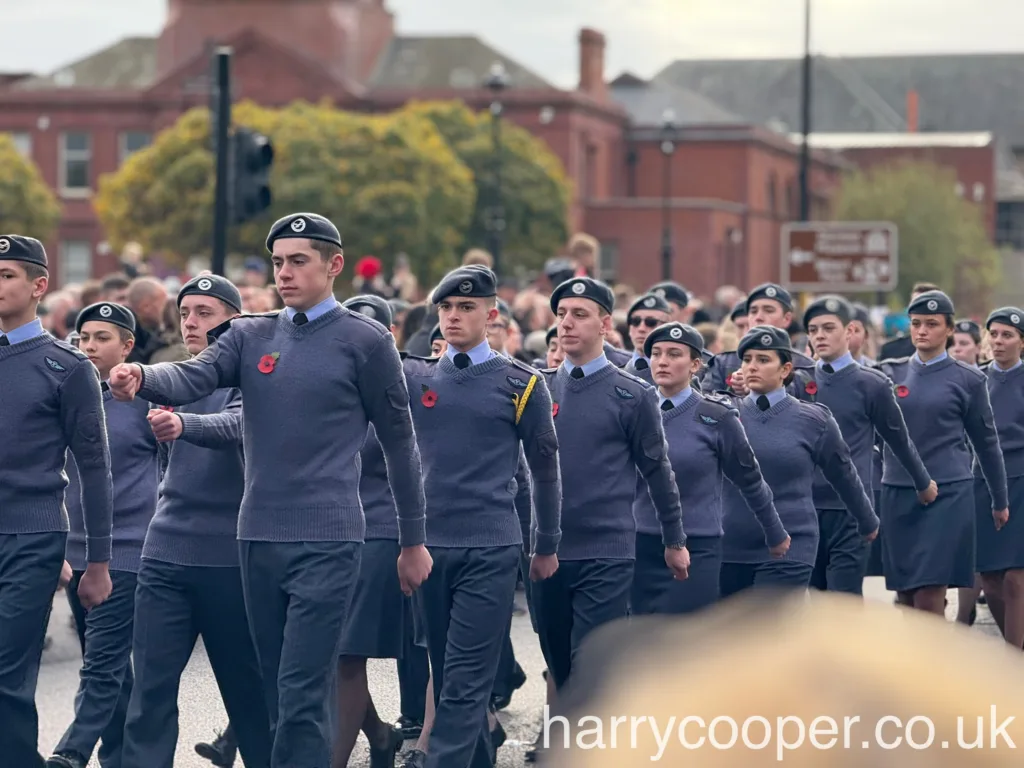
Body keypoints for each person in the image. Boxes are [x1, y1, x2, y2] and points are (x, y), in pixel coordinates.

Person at [108, 212, 432, 768]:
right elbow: (194, 375)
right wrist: (142, 377)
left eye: (298, 261)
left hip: (329, 540)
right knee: (275, 692)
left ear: (334, 266)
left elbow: (401, 444)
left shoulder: (366, 339)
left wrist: (412, 541)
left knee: (304, 693)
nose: (284, 272)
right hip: (256, 538)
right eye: (279, 261)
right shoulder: (249, 333)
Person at [402, 265, 562, 768]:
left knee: (468, 681)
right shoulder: (416, 376)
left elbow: (545, 469)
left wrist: (546, 544)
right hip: (429, 545)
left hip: (491, 546)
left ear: (491, 315)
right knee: (447, 673)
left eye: (466, 308)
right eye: (446, 308)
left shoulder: (521, 383)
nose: (453, 316)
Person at [115, 275, 270, 768]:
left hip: (229, 559)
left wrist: (186, 424)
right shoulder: (174, 376)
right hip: (165, 553)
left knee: (249, 697)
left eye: (205, 312)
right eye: (185, 313)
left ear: (234, 320)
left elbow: (238, 426)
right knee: (151, 694)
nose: (191, 322)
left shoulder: (256, 378)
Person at [534, 276, 688, 694]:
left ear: (605, 324)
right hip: (547, 550)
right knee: (559, 665)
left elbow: (658, 471)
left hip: (607, 550)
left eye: (579, 315)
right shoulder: (536, 387)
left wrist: (674, 539)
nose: (566, 323)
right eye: (562, 314)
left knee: (591, 664)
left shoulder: (632, 394)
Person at [0, 235, 114, 768]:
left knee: (7, 675)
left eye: (7, 276)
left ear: (38, 285)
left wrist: (97, 563)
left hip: (33, 533)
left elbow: (95, 470)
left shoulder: (66, 368)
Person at [48, 303, 159, 768]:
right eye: (83, 338)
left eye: (102, 338)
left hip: (128, 551)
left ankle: (69, 753)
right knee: (111, 667)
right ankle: (120, 758)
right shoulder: (68, 395)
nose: (89, 347)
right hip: (75, 550)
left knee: (103, 662)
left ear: (127, 346)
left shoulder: (150, 401)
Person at [632, 322, 787, 615]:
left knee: (687, 637)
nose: (663, 361)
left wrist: (774, 531)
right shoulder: (634, 412)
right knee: (646, 643)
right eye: (656, 353)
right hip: (640, 541)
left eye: (674, 354)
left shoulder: (715, 416)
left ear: (695, 365)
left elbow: (750, 480)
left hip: (698, 543)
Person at [720, 326, 876, 596]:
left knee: (772, 631)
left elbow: (844, 475)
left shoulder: (813, 420)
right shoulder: (723, 415)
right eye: (747, 360)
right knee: (733, 637)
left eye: (764, 360)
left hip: (792, 545)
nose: (752, 367)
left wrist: (867, 520)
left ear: (785, 370)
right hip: (731, 547)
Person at [879, 290, 1008, 616]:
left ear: (949, 329)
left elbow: (986, 442)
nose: (922, 331)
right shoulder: (888, 374)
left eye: (932, 324)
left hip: (948, 492)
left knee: (930, 590)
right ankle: (913, 665)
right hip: (897, 489)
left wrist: (999, 499)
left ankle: (931, 666)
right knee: (906, 594)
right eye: (916, 323)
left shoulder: (968, 379)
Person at [802, 296, 936, 596]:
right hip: (805, 507)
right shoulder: (800, 382)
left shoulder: (871, 383)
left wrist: (922, 481)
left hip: (852, 506)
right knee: (812, 603)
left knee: (844, 600)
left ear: (850, 331)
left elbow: (897, 439)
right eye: (813, 330)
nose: (819, 336)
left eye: (827, 328)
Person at [331, 294, 410, 767]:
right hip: (327, 528)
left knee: (346, 654)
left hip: (380, 530)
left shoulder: (398, 390)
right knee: (331, 653)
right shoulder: (329, 384)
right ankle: (379, 734)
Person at [976, 308, 1024, 647]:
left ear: (1022, 341)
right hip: (981, 483)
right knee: (990, 577)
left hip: (1022, 481)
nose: (998, 341)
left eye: (1007, 335)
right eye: (993, 334)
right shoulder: (974, 380)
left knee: (1015, 578)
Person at [702, 283, 813, 399]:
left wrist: (765, 389)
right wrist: (733, 390)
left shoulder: (805, 365)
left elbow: (809, 408)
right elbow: (706, 407)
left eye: (769, 310)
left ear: (787, 319)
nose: (758, 317)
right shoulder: (723, 363)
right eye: (753, 311)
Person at [622, 293, 672, 383]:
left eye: (651, 322)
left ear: (666, 328)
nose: (641, 328)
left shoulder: (681, 373)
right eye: (635, 321)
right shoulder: (617, 367)